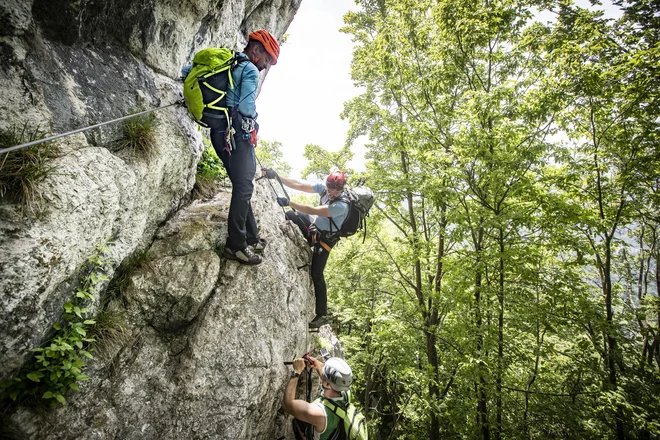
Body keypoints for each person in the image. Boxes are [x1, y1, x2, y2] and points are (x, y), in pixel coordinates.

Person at [209, 30, 280, 265]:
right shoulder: (249, 68)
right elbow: (247, 105)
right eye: (267, 58)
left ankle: (251, 236)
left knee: (242, 187)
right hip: (237, 136)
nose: (266, 65)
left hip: (219, 134)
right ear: (256, 49)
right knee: (244, 188)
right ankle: (237, 245)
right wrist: (251, 126)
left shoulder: (231, 63)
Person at [262, 169, 349, 328]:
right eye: (330, 188)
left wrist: (290, 202)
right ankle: (308, 240)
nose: (332, 192)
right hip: (315, 229)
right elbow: (299, 184)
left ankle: (322, 314)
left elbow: (313, 210)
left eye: (336, 190)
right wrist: (277, 176)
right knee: (291, 215)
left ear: (341, 190)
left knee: (317, 273)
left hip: (326, 241)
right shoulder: (323, 189)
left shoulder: (341, 206)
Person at [282, 356, 353, 440]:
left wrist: (296, 372)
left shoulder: (321, 414)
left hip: (321, 426)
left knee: (297, 421)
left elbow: (287, 405)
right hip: (333, 432)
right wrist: (319, 366)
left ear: (327, 384)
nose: (322, 370)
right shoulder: (346, 392)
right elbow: (330, 383)